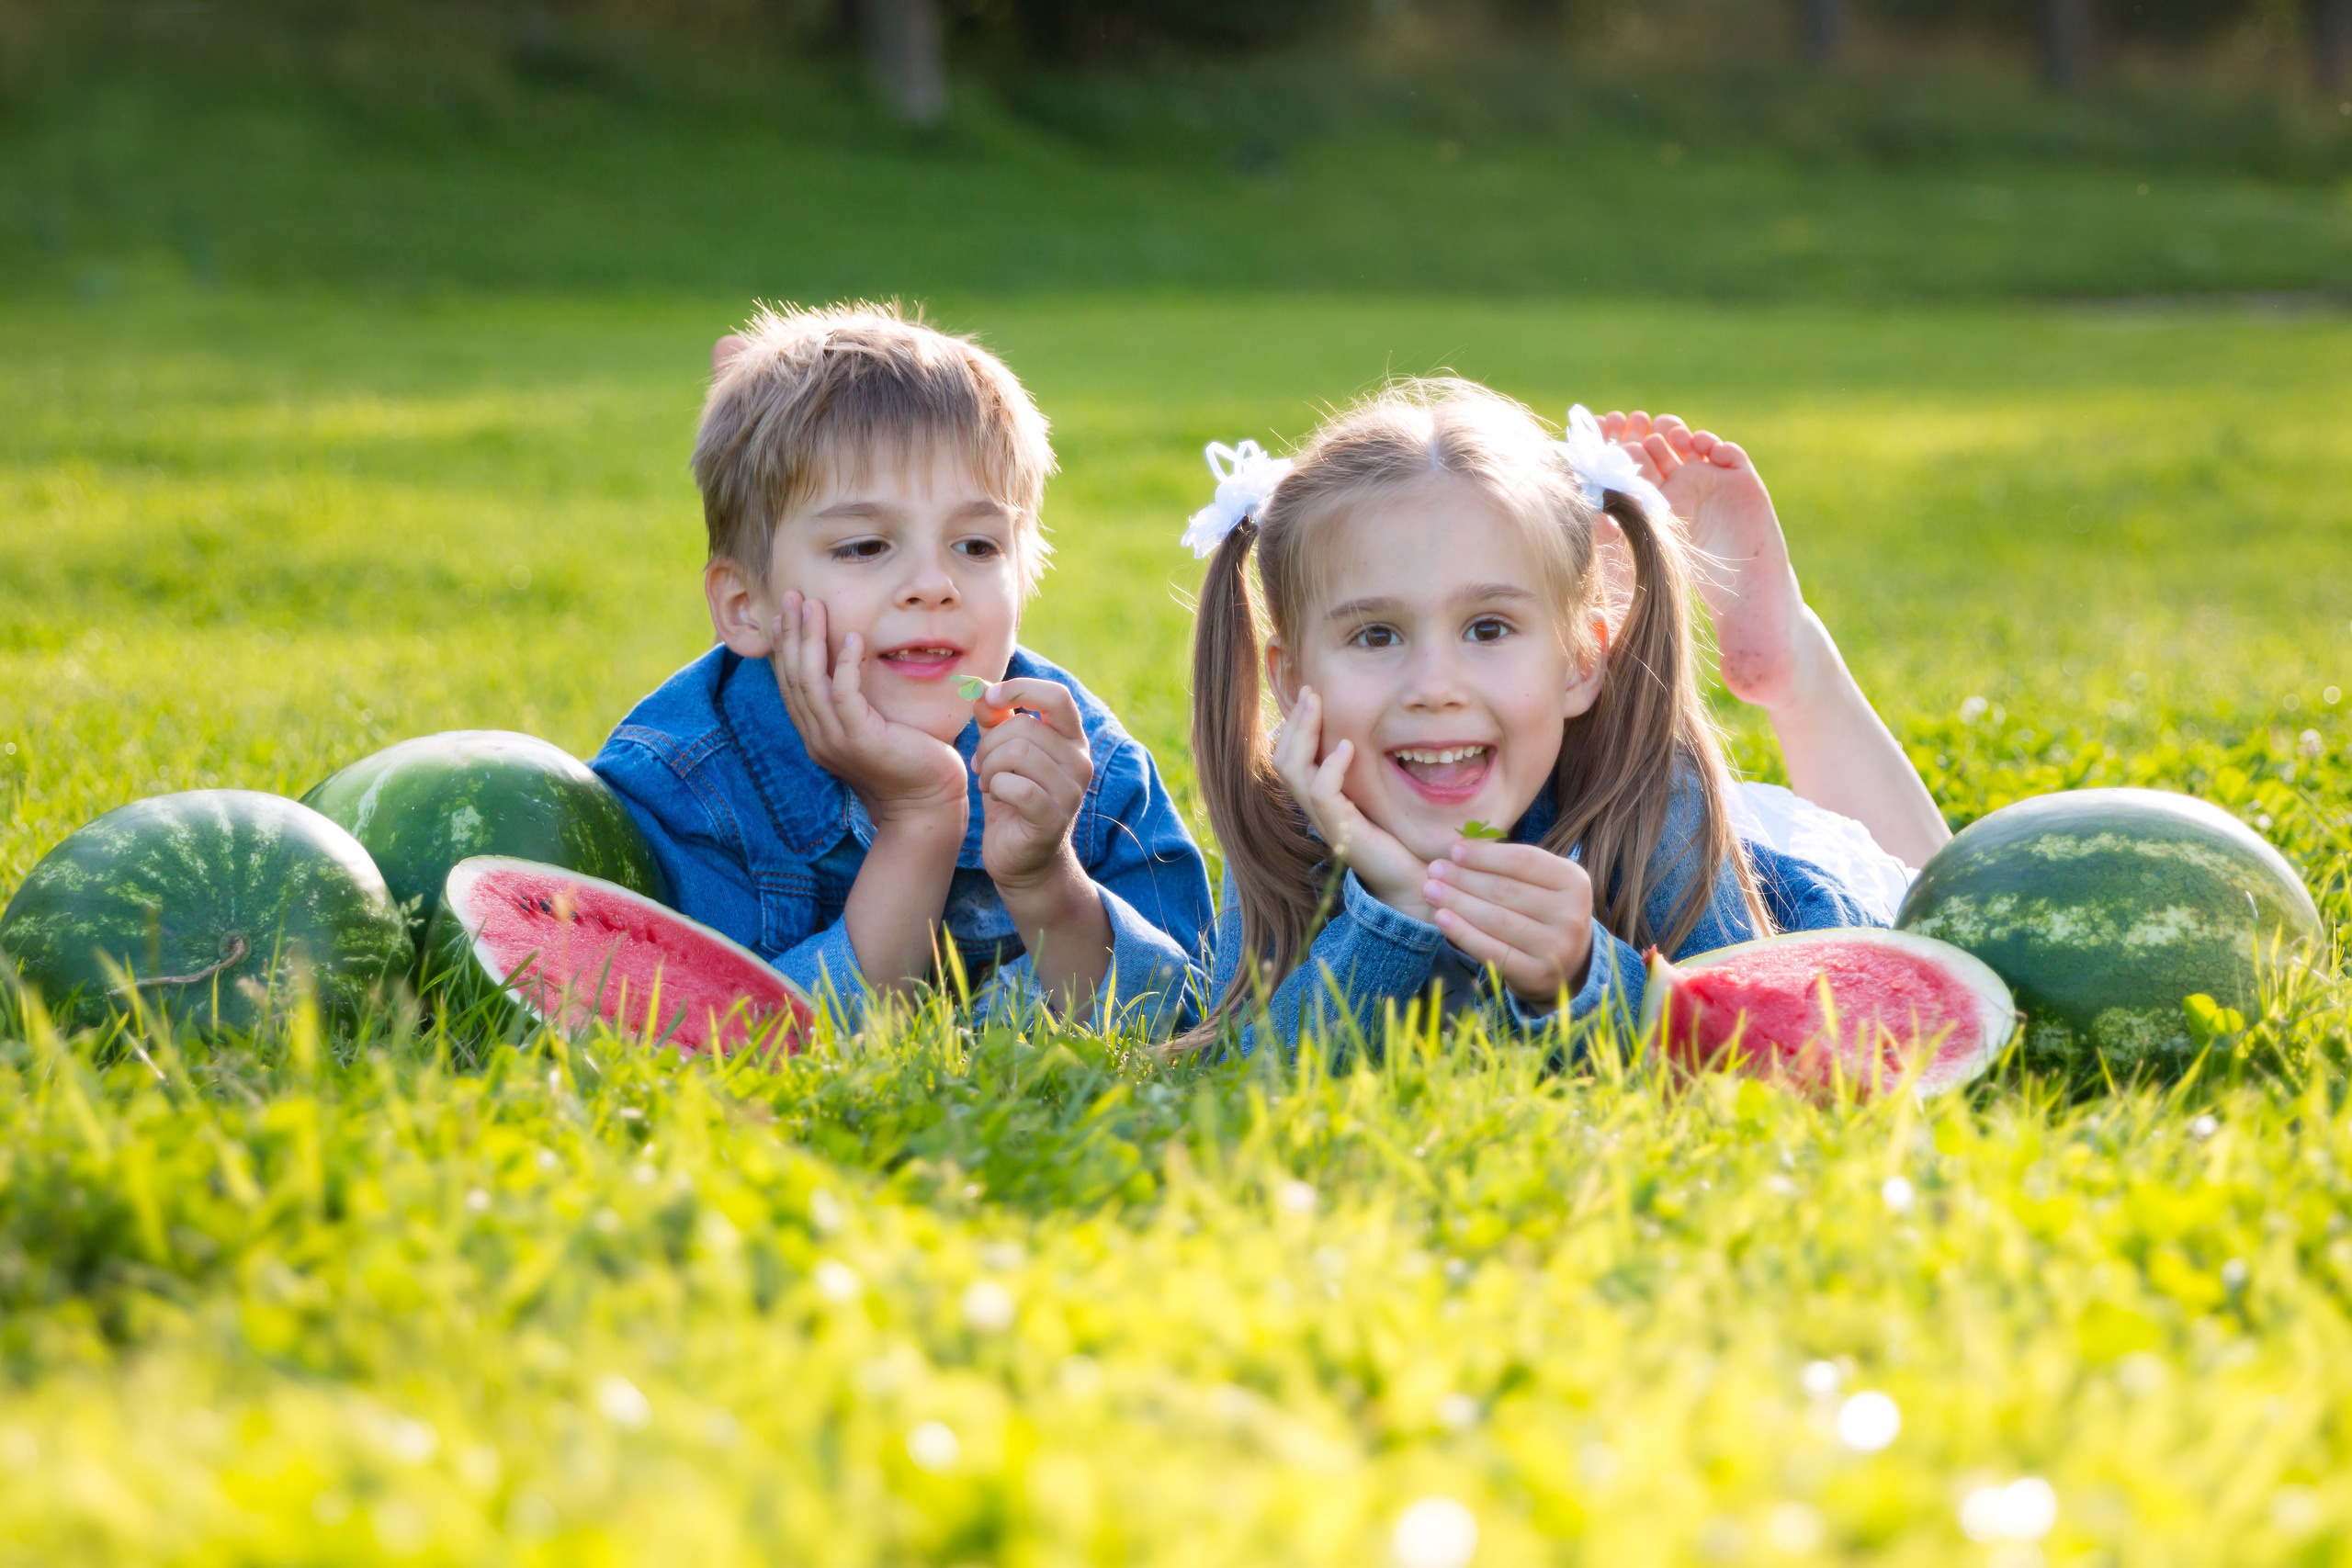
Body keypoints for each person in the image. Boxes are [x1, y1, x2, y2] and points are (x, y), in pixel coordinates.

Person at [1181, 378, 1945, 1050]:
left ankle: (1796, 668)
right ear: (1290, 678)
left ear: (1584, 665)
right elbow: (1249, 1064)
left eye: (1488, 628)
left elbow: (1744, 1040)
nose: (1435, 686)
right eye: (1376, 634)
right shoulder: (1287, 816)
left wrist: (1583, 974)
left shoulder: (1656, 798)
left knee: (1938, 905)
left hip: (1786, 884)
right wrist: (1398, 907)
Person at [592, 302, 1212, 1031]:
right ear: (745, 605)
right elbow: (722, 1044)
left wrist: (1048, 883)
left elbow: (1188, 1028)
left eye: (977, 546)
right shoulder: (680, 792)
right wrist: (921, 822)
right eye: (863, 546)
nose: (933, 582)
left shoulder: (1086, 772)